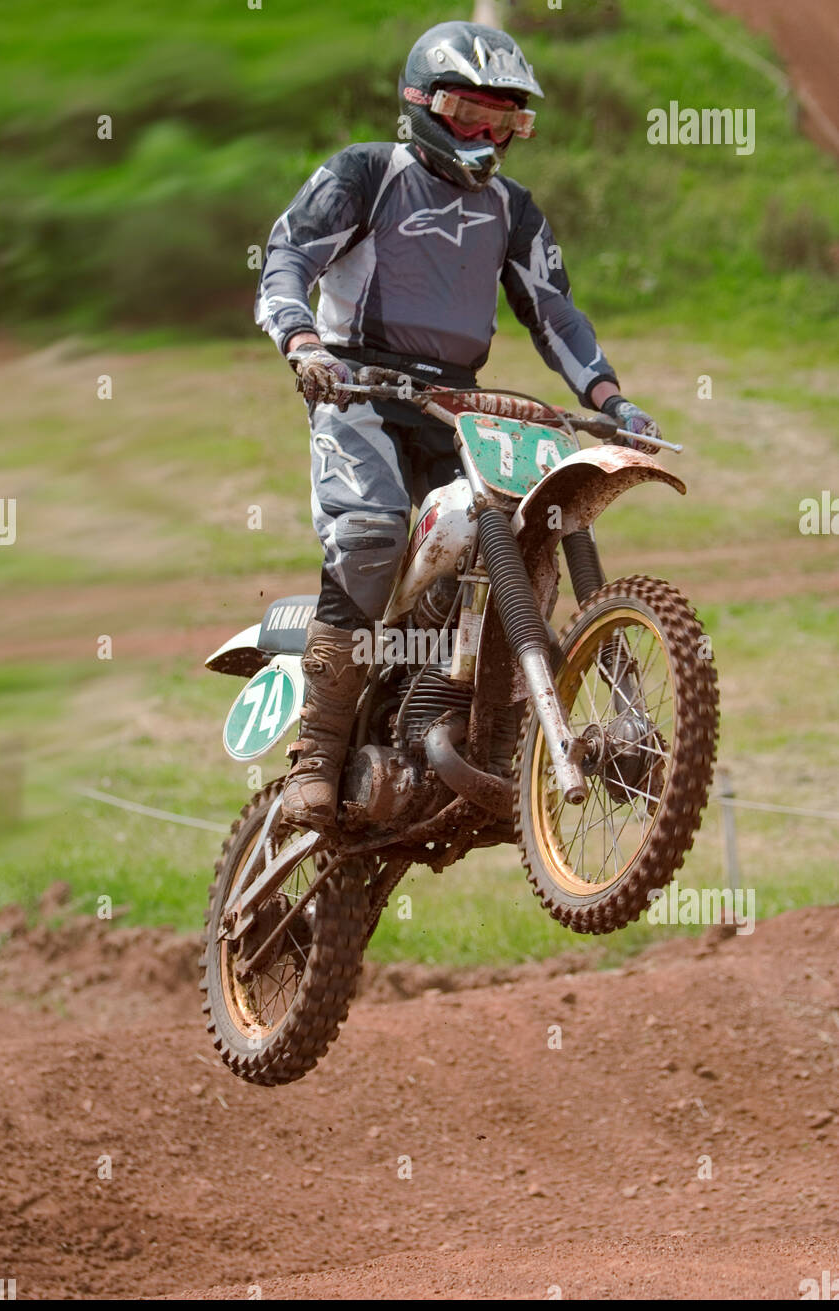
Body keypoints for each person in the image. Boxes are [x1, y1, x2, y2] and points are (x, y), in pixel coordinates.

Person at [256, 19, 661, 829]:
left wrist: (612, 399)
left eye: (504, 120)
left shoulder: (513, 210)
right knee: (372, 535)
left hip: (456, 405)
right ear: (422, 104)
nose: (486, 134)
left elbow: (556, 315)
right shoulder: (365, 174)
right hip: (357, 387)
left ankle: (494, 726)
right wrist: (303, 342)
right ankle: (317, 754)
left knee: (524, 529)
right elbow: (287, 258)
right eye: (469, 113)